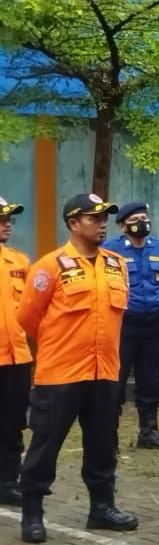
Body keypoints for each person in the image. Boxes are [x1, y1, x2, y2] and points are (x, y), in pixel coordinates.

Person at [16, 193, 140, 542]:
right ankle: (33, 511)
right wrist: (63, 344)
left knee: (103, 444)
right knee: (46, 444)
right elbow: (28, 317)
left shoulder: (117, 263)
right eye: (94, 218)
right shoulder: (49, 267)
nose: (102, 224)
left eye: (104, 218)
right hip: (60, 374)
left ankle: (102, 508)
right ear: (73, 223)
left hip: (104, 372)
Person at [107, 201, 159, 450]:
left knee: (150, 380)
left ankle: (149, 431)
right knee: (116, 380)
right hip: (123, 325)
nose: (142, 223)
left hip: (152, 324)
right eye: (135, 219)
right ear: (123, 225)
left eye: (145, 218)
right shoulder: (110, 250)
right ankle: (108, 433)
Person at [0, 196, 32, 506]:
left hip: (17, 356)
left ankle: (9, 481)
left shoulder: (20, 262)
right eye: (1, 218)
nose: (7, 223)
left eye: (9, 218)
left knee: (11, 422)